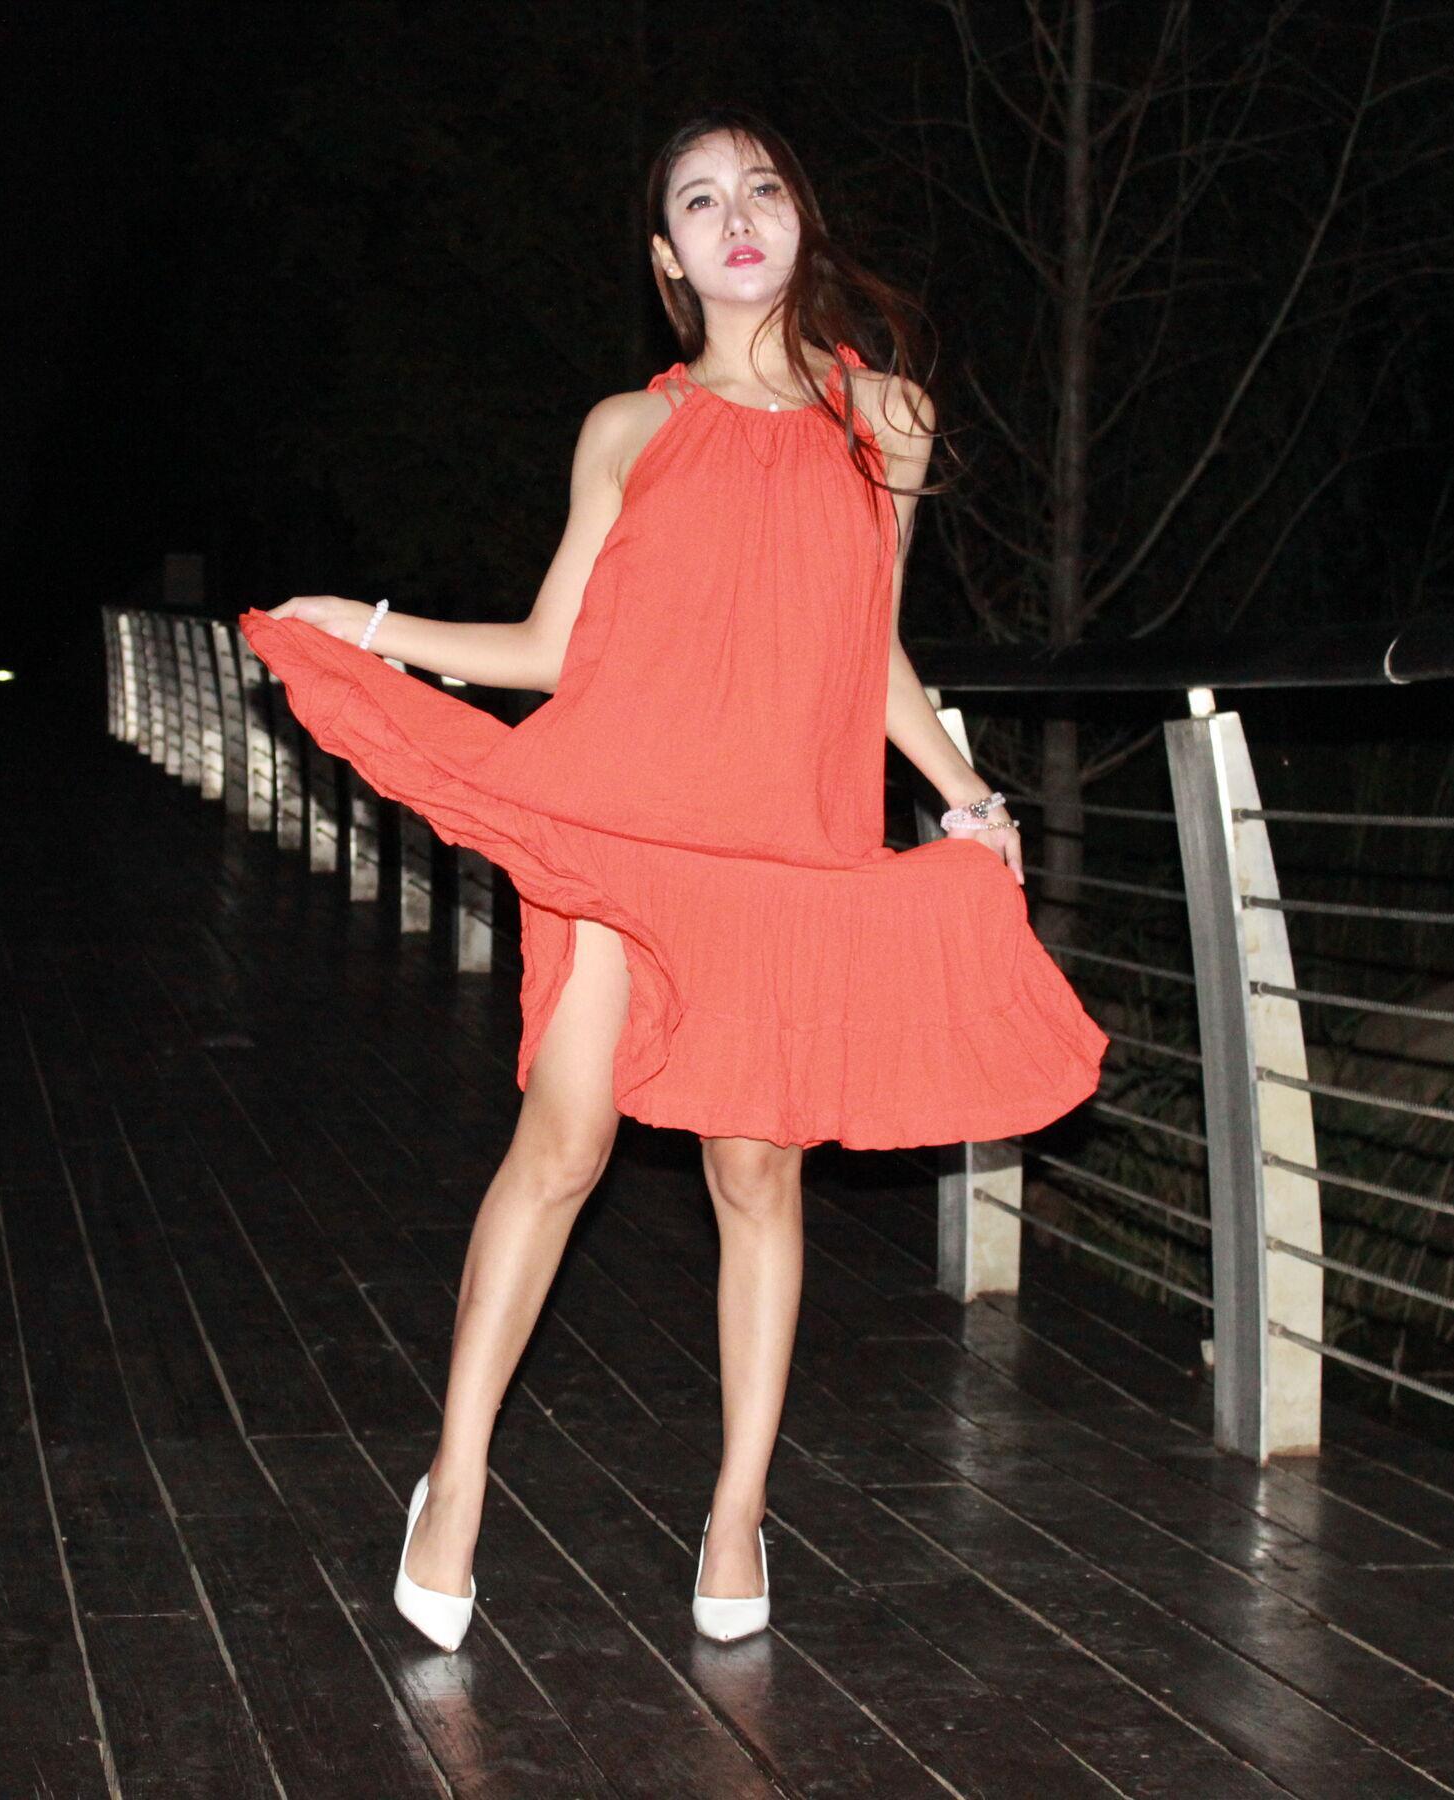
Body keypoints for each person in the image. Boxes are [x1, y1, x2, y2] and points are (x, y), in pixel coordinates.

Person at [238, 106, 1107, 1654]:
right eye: (701, 202)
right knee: (563, 1144)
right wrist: (365, 627)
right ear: (668, 260)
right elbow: (551, 648)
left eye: (762, 187)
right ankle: (455, 1479)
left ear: (800, 219)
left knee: (756, 1175)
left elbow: (870, 648)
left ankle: (737, 1510)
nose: (738, 216)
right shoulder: (624, 432)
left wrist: (968, 796)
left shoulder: (887, 418)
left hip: (784, 842)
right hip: (621, 827)